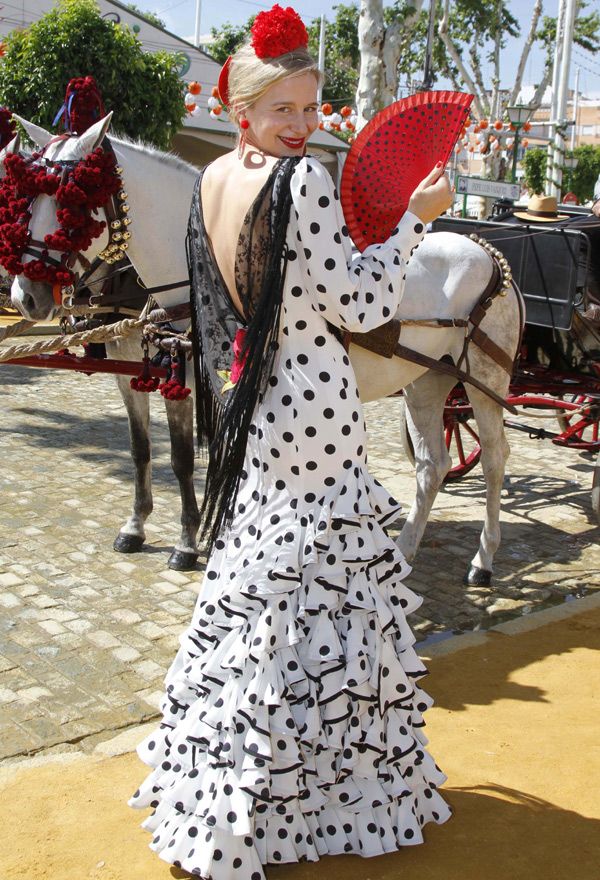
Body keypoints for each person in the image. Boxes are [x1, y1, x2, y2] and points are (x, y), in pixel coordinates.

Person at [129, 5, 453, 877]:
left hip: (260, 401)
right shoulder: (300, 183)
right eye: (287, 111)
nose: (305, 127)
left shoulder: (213, 180)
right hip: (316, 407)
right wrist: (418, 219)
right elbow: (360, 305)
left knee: (260, 591)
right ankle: (301, 789)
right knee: (319, 602)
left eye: (313, 110)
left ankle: (227, 775)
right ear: (246, 109)